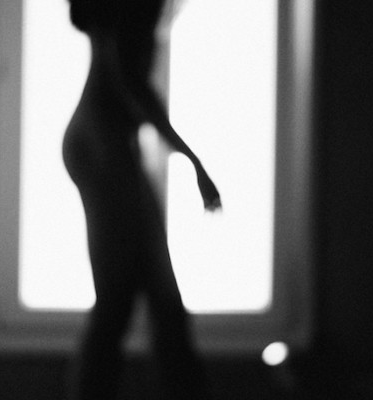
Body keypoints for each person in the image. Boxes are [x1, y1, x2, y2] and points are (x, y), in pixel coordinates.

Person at [62, 0, 221, 398]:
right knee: (134, 299)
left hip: (102, 145)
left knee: (140, 299)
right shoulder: (133, 11)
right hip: (101, 147)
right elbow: (131, 85)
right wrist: (194, 162)